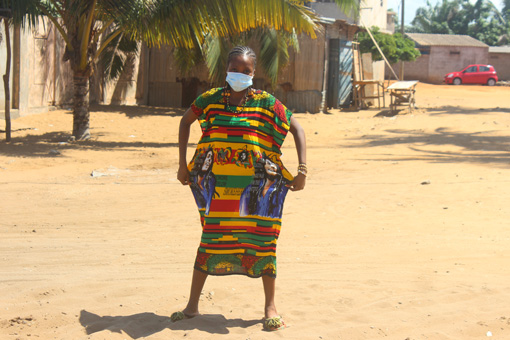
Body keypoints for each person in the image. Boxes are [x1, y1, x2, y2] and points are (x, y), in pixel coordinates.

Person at [175, 45, 307, 331]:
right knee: (211, 239)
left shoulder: (266, 103)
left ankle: (270, 306)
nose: (239, 74)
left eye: (245, 71)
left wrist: (302, 170)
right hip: (220, 191)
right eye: (235, 69)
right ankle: (192, 306)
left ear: (253, 73)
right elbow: (185, 121)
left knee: (263, 242)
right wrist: (183, 164)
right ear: (226, 69)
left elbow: (297, 128)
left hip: (257, 193)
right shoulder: (209, 100)